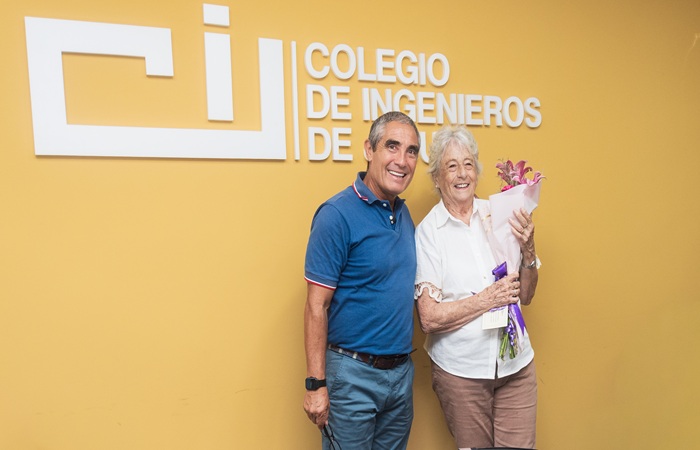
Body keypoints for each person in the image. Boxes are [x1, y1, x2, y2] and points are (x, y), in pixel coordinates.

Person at [414, 125, 539, 449]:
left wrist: (528, 251)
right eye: (451, 166)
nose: (462, 174)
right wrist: (487, 299)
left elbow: (525, 295)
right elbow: (429, 318)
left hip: (516, 364)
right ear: (437, 177)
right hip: (462, 372)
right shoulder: (429, 232)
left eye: (468, 164)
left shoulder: (499, 214)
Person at [303, 111, 421, 449]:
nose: (402, 160)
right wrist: (315, 385)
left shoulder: (402, 213)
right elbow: (316, 306)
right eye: (392, 146)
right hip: (352, 377)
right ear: (369, 149)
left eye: (411, 151)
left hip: (400, 376)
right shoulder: (336, 215)